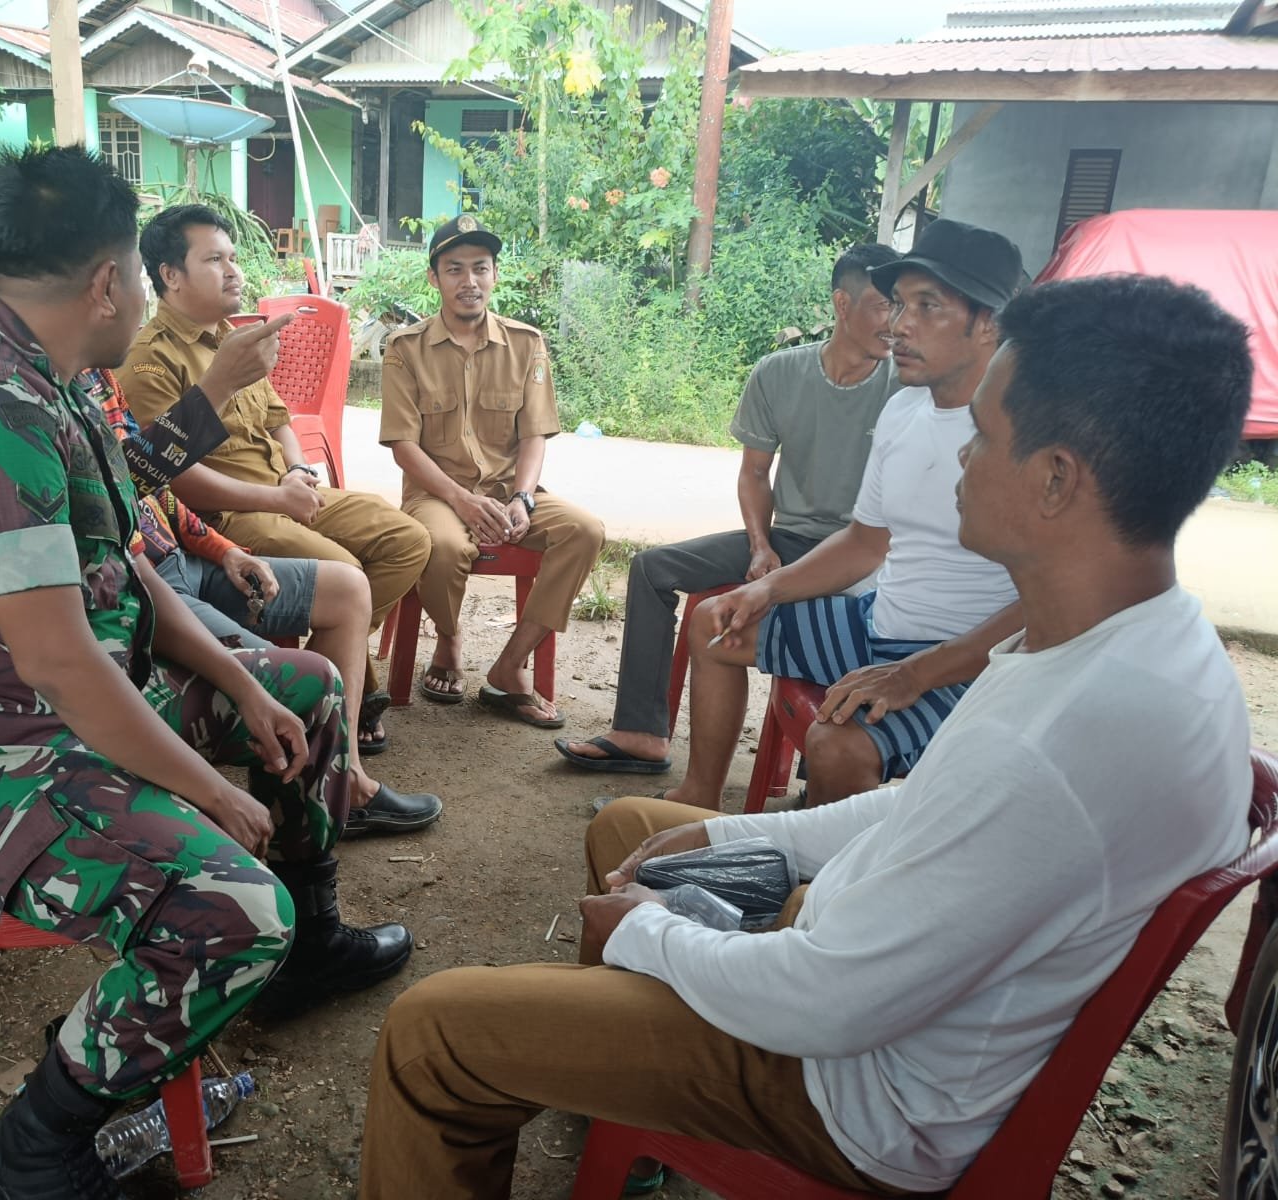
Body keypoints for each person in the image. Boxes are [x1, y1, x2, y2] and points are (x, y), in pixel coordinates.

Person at [356, 272, 1255, 1198]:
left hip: (853, 1092)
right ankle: (619, 1107)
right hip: (871, 986)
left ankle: (614, 1076)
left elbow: (826, 999)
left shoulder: (1059, 744)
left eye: (984, 436)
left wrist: (649, 934)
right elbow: (920, 808)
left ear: (1057, 478)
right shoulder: (1124, 638)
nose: (961, 457)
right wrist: (733, 837)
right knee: (635, 827)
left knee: (434, 1031)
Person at [0, 147, 412, 1200]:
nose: (147, 298)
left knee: (307, 688)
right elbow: (60, 664)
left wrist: (245, 682)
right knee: (231, 907)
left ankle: (310, 950)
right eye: (143, 278)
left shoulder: (56, 385)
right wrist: (210, 789)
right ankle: (33, 1143)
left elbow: (131, 567)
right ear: (107, 282)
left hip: (70, 708)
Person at [658, 220, 1026, 810]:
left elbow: (1047, 604)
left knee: (837, 748)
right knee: (714, 622)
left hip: (969, 663)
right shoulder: (904, 411)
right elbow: (864, 543)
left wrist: (914, 674)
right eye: (898, 303)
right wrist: (768, 588)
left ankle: (821, 867)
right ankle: (697, 800)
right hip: (879, 625)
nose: (899, 324)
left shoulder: (1029, 434)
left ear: (988, 322)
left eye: (927, 306)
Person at [556, 242, 902, 774]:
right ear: (842, 304)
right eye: (883, 306)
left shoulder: (905, 386)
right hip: (789, 539)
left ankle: (818, 775)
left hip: (865, 555)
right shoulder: (779, 373)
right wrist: (760, 545)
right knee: (652, 568)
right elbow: (756, 473)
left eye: (902, 306)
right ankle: (641, 732)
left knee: (843, 613)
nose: (895, 322)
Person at [79, 366, 443, 838]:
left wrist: (223, 550)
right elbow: (134, 488)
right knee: (296, 683)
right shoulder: (66, 392)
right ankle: (301, 823)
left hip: (185, 557)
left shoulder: (99, 376)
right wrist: (219, 384)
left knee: (348, 588)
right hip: (149, 581)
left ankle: (343, 774)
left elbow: (152, 493)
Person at [120, 204, 432, 754]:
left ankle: (324, 672)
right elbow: (169, 478)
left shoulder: (234, 339)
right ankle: (341, 697)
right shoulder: (148, 359)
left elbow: (278, 418)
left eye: (233, 257)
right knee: (344, 568)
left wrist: (297, 471)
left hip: (285, 489)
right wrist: (277, 499)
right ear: (170, 275)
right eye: (214, 260)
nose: (234, 271)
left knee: (407, 539)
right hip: (233, 514)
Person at [378, 215, 605, 729]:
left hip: (508, 491)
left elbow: (534, 435)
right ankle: (449, 637)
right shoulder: (405, 349)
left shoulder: (526, 343)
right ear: (434, 277)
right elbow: (403, 447)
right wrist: (461, 500)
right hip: (436, 495)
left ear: (495, 275)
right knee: (441, 546)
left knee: (584, 531)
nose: (470, 281)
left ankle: (509, 665)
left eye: (480, 268)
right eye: (454, 268)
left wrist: (523, 498)